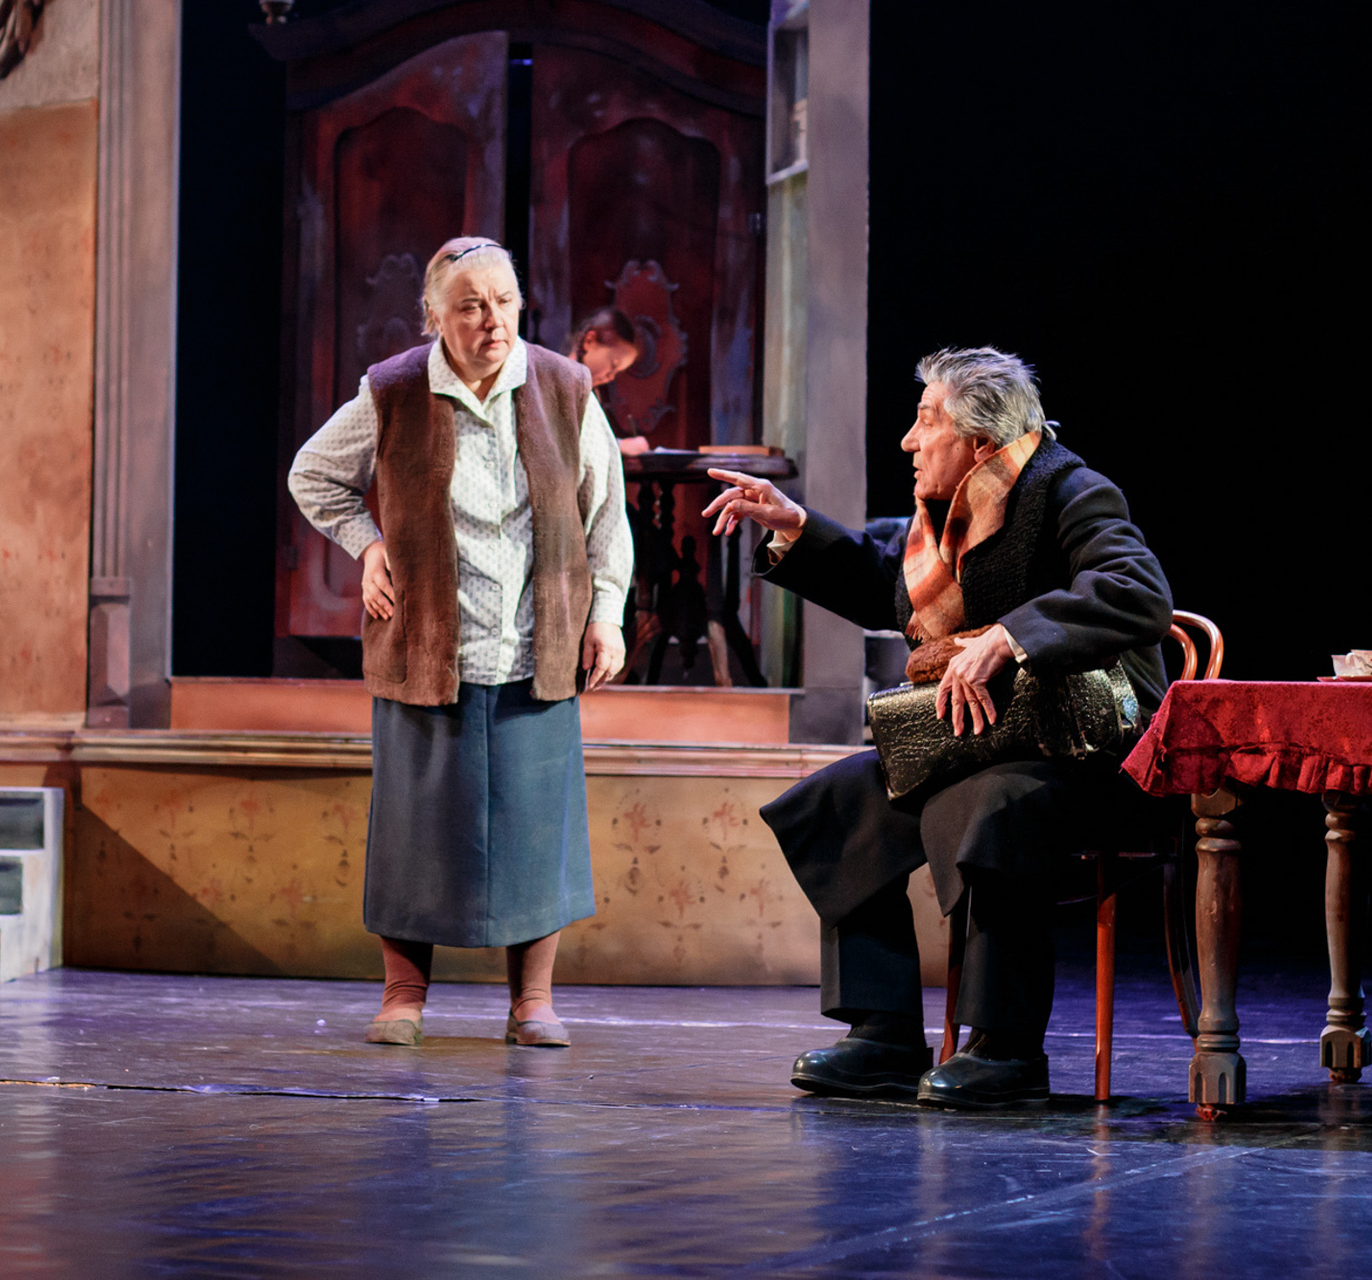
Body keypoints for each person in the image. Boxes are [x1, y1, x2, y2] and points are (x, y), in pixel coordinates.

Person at [702, 347, 1172, 1107]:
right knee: (841, 801)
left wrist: (1010, 636)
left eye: (927, 422)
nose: (909, 441)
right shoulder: (946, 518)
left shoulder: (1071, 491)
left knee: (990, 804)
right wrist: (794, 527)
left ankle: (1004, 1048)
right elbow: (888, 585)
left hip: (1088, 750)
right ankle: (883, 1033)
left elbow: (1136, 590)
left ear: (980, 442)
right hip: (984, 734)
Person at [289, 236, 634, 1049]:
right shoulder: (394, 390)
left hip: (534, 649)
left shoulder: (564, 386)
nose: (492, 321)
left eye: (504, 302)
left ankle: (532, 1002)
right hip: (426, 649)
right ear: (435, 316)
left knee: (535, 831)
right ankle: (402, 997)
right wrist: (367, 544)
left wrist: (607, 612)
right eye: (471, 306)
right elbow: (313, 473)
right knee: (414, 835)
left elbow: (604, 512)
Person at [565, 306, 650, 456]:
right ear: (589, 341)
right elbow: (566, 442)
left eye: (617, 372)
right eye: (613, 365)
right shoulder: (559, 383)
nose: (611, 377)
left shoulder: (588, 392)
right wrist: (621, 446)